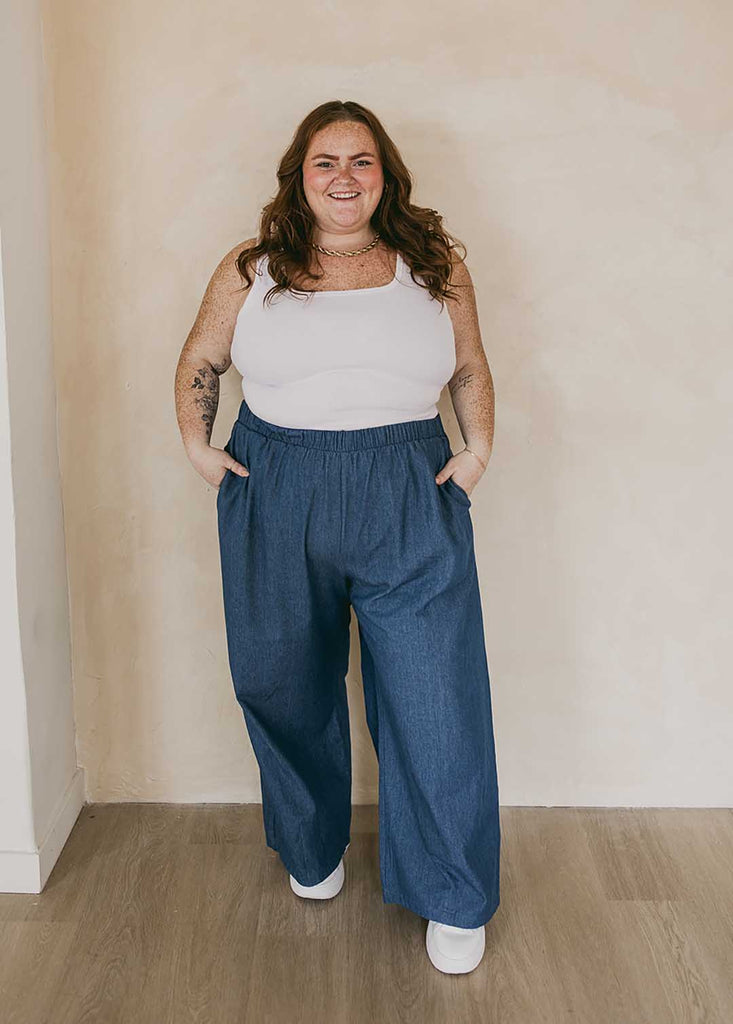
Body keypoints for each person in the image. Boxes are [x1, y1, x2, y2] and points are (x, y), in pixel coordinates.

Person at [174, 99, 501, 975]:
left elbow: (468, 366)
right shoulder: (252, 268)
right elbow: (202, 358)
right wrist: (200, 450)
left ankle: (452, 893)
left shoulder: (434, 266)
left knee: (435, 698)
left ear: (384, 174)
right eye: (326, 162)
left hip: (407, 487)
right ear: (301, 174)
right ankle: (311, 845)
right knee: (280, 678)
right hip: (275, 485)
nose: (344, 177)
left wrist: (476, 455)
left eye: (361, 161)